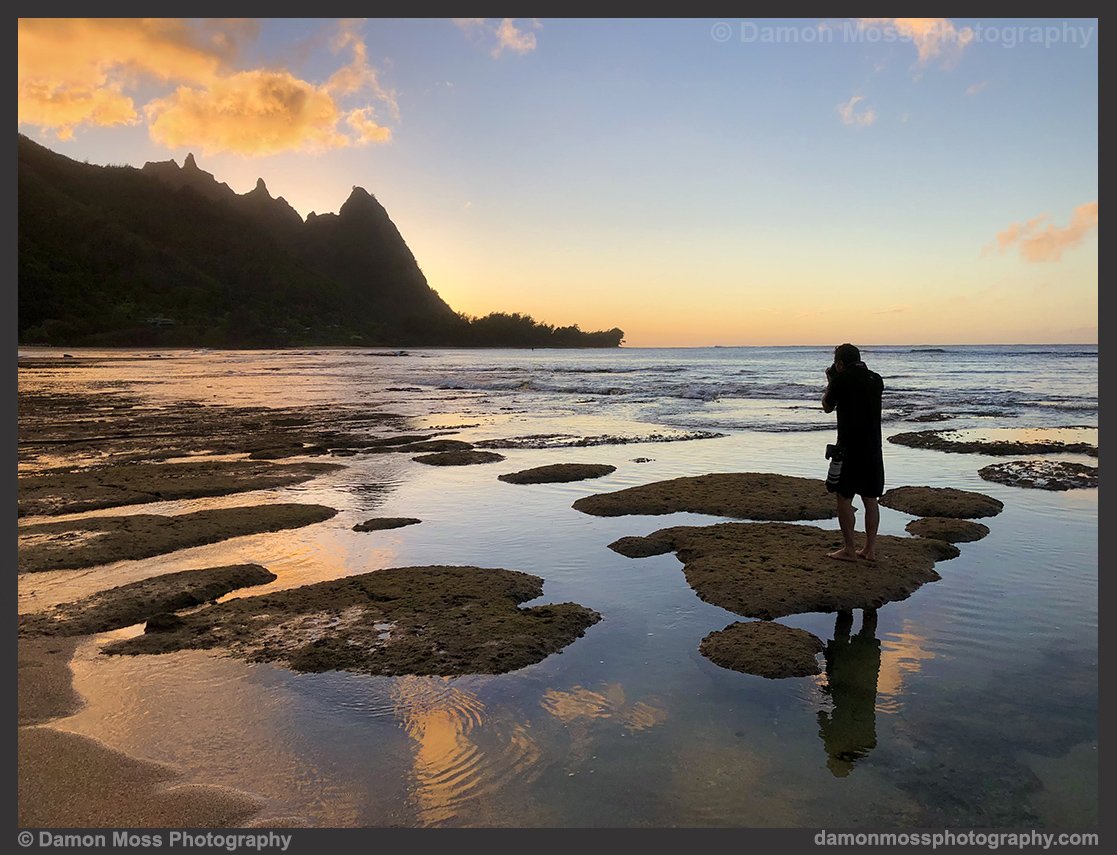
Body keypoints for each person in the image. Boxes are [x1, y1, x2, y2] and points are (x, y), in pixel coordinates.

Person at [821, 343, 884, 561]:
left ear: (839, 363)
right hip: (874, 447)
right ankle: (870, 549)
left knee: (843, 497)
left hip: (849, 447)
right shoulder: (876, 380)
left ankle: (849, 549)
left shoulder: (841, 379)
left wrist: (831, 382)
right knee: (870, 498)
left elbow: (827, 406)